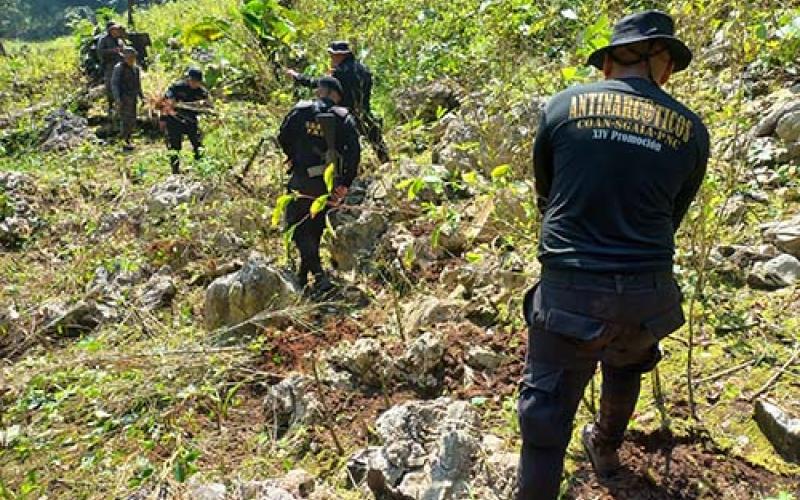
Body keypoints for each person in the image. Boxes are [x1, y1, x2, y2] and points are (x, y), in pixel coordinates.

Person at [517, 10, 709, 499]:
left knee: (543, 431)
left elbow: (547, 194)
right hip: (648, 294)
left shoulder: (562, 107)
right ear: (657, 59)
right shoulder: (690, 129)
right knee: (626, 364)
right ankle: (605, 449)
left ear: (611, 62)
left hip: (571, 293)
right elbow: (673, 216)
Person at [278, 76, 361, 295]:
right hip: (326, 182)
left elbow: (282, 136)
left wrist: (294, 155)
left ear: (319, 91)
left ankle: (318, 274)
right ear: (335, 95)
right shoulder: (343, 117)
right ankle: (304, 274)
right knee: (314, 228)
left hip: (301, 178)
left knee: (296, 227)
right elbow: (354, 154)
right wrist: (344, 183)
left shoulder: (300, 111)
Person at [286, 41, 390, 164]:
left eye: (332, 55)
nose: (331, 58)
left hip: (343, 115)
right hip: (364, 112)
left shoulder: (339, 73)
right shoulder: (363, 69)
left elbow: (318, 83)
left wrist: (298, 77)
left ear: (340, 55)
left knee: (339, 145)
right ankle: (386, 162)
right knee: (375, 138)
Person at [159, 67, 210, 174]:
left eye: (196, 81)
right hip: (174, 120)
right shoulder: (177, 88)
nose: (193, 83)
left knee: (197, 144)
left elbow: (208, 107)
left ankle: (200, 167)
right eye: (191, 80)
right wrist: (163, 119)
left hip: (191, 121)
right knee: (175, 146)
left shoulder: (202, 93)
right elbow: (165, 103)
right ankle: (175, 170)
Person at [111, 47, 143, 152]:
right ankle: (124, 141)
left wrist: (142, 97)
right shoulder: (119, 68)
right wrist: (117, 99)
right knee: (125, 120)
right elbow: (114, 84)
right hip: (124, 97)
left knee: (132, 119)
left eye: (133, 57)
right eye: (129, 57)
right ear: (124, 57)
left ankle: (128, 139)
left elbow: (138, 84)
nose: (131, 59)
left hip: (133, 97)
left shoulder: (136, 69)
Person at [97, 22, 125, 119]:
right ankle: (110, 106)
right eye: (114, 30)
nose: (116, 31)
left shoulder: (119, 40)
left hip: (120, 65)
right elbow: (100, 51)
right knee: (110, 85)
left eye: (117, 30)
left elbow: (123, 50)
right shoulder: (104, 40)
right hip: (109, 65)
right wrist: (112, 51)